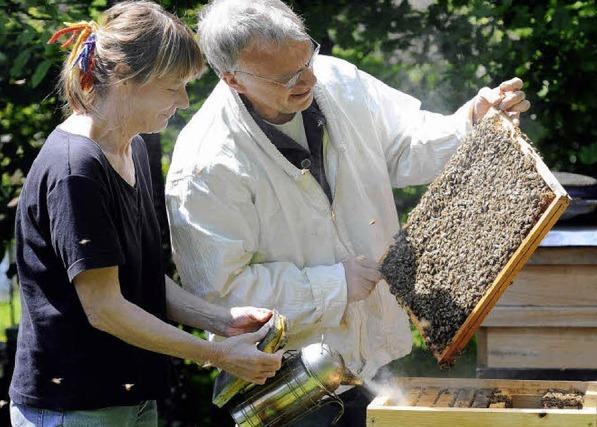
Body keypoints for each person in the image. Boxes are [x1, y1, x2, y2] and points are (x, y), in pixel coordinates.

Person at [165, 0, 530, 425]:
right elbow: (218, 297)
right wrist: (332, 285)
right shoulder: (206, 166)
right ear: (233, 79)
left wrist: (468, 120)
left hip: (374, 358)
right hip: (287, 388)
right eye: (288, 76)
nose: (309, 79)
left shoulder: (338, 81)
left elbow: (404, 145)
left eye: (307, 60)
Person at [9, 2, 282, 426]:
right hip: (73, 410)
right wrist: (216, 354)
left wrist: (221, 321)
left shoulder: (136, 144)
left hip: (133, 399)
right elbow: (106, 308)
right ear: (123, 79)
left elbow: (141, 277)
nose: (184, 101)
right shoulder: (75, 170)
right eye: (173, 86)